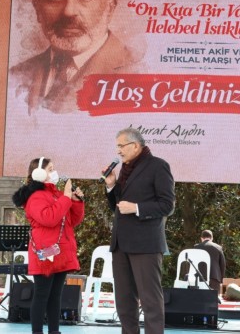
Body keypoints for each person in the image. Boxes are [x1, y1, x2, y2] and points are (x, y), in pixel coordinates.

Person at [10, 0, 141, 114]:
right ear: (37, 9)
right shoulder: (16, 75)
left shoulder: (137, 72)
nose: (68, 11)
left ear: (109, 9)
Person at [103, 128, 175, 334]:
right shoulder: (125, 168)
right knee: (124, 301)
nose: (118, 151)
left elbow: (167, 205)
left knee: (150, 300)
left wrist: (137, 208)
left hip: (146, 244)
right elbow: (118, 206)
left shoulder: (158, 166)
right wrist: (111, 187)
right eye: (117, 146)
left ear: (135, 145)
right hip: (121, 243)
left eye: (121, 146)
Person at [12, 157, 85, 334]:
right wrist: (66, 197)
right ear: (39, 173)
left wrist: (76, 201)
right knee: (42, 295)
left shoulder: (56, 194)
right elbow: (49, 218)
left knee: (55, 295)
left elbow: (72, 221)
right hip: (45, 252)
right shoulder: (35, 197)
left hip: (60, 251)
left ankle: (54, 331)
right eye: (50, 169)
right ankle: (37, 331)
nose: (54, 172)